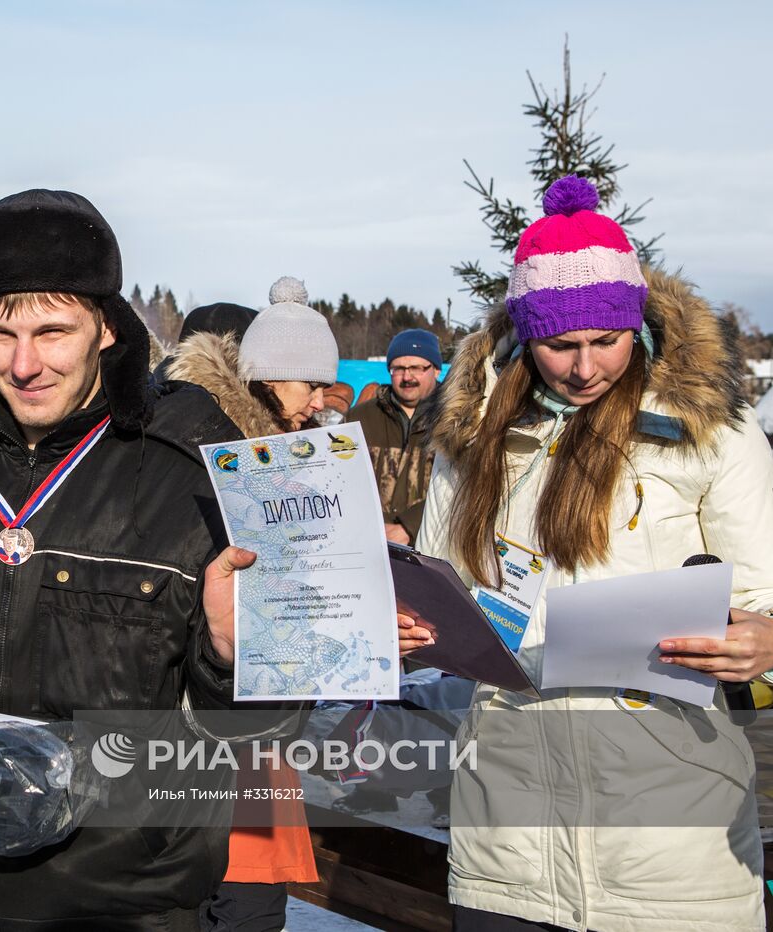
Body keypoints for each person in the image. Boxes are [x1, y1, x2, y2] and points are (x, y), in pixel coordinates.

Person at [0, 188, 269, 931]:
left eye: (53, 331)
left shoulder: (194, 479)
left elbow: (259, 740)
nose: (24, 364)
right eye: (1, 334)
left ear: (107, 328)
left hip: (128, 907)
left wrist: (234, 659)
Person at [404, 175, 773, 931]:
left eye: (605, 341)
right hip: (507, 836)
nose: (583, 368)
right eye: (559, 345)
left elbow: (764, 600)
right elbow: (440, 587)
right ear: (522, 336)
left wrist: (762, 641)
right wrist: (410, 632)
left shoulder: (712, 432)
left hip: (672, 834)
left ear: (634, 327)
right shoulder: (469, 439)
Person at [164, 275, 334, 932]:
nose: (319, 402)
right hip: (212, 764)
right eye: (307, 384)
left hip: (243, 762)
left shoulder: (289, 457)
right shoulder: (212, 463)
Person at [347, 327, 442, 546]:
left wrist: (410, 526)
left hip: (428, 546)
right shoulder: (360, 416)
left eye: (416, 368)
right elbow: (339, 478)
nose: (407, 377)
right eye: (398, 368)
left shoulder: (455, 419)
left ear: (436, 370)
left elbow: (462, 488)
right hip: (367, 542)